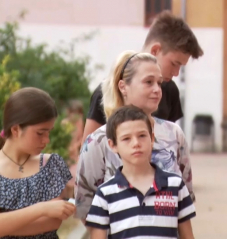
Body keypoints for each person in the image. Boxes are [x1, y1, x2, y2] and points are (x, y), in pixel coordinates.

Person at [74, 51, 194, 223]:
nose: (157, 90)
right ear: (123, 86)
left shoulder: (174, 134)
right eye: (148, 82)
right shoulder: (98, 141)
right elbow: (84, 206)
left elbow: (185, 201)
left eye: (159, 83)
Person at [0, 87, 76, 239]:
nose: (47, 140)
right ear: (15, 130)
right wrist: (42, 209)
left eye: (49, 132)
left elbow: (53, 222)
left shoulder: (51, 164)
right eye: (40, 133)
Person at [81, 10, 203, 143]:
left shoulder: (169, 91)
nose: (176, 73)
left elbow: (171, 147)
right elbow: (88, 149)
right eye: (174, 64)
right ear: (155, 50)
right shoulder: (107, 90)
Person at [85, 105, 196, 239]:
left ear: (152, 138)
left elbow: (188, 236)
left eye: (142, 135)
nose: (136, 143)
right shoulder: (105, 194)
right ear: (113, 145)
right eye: (126, 139)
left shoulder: (175, 185)